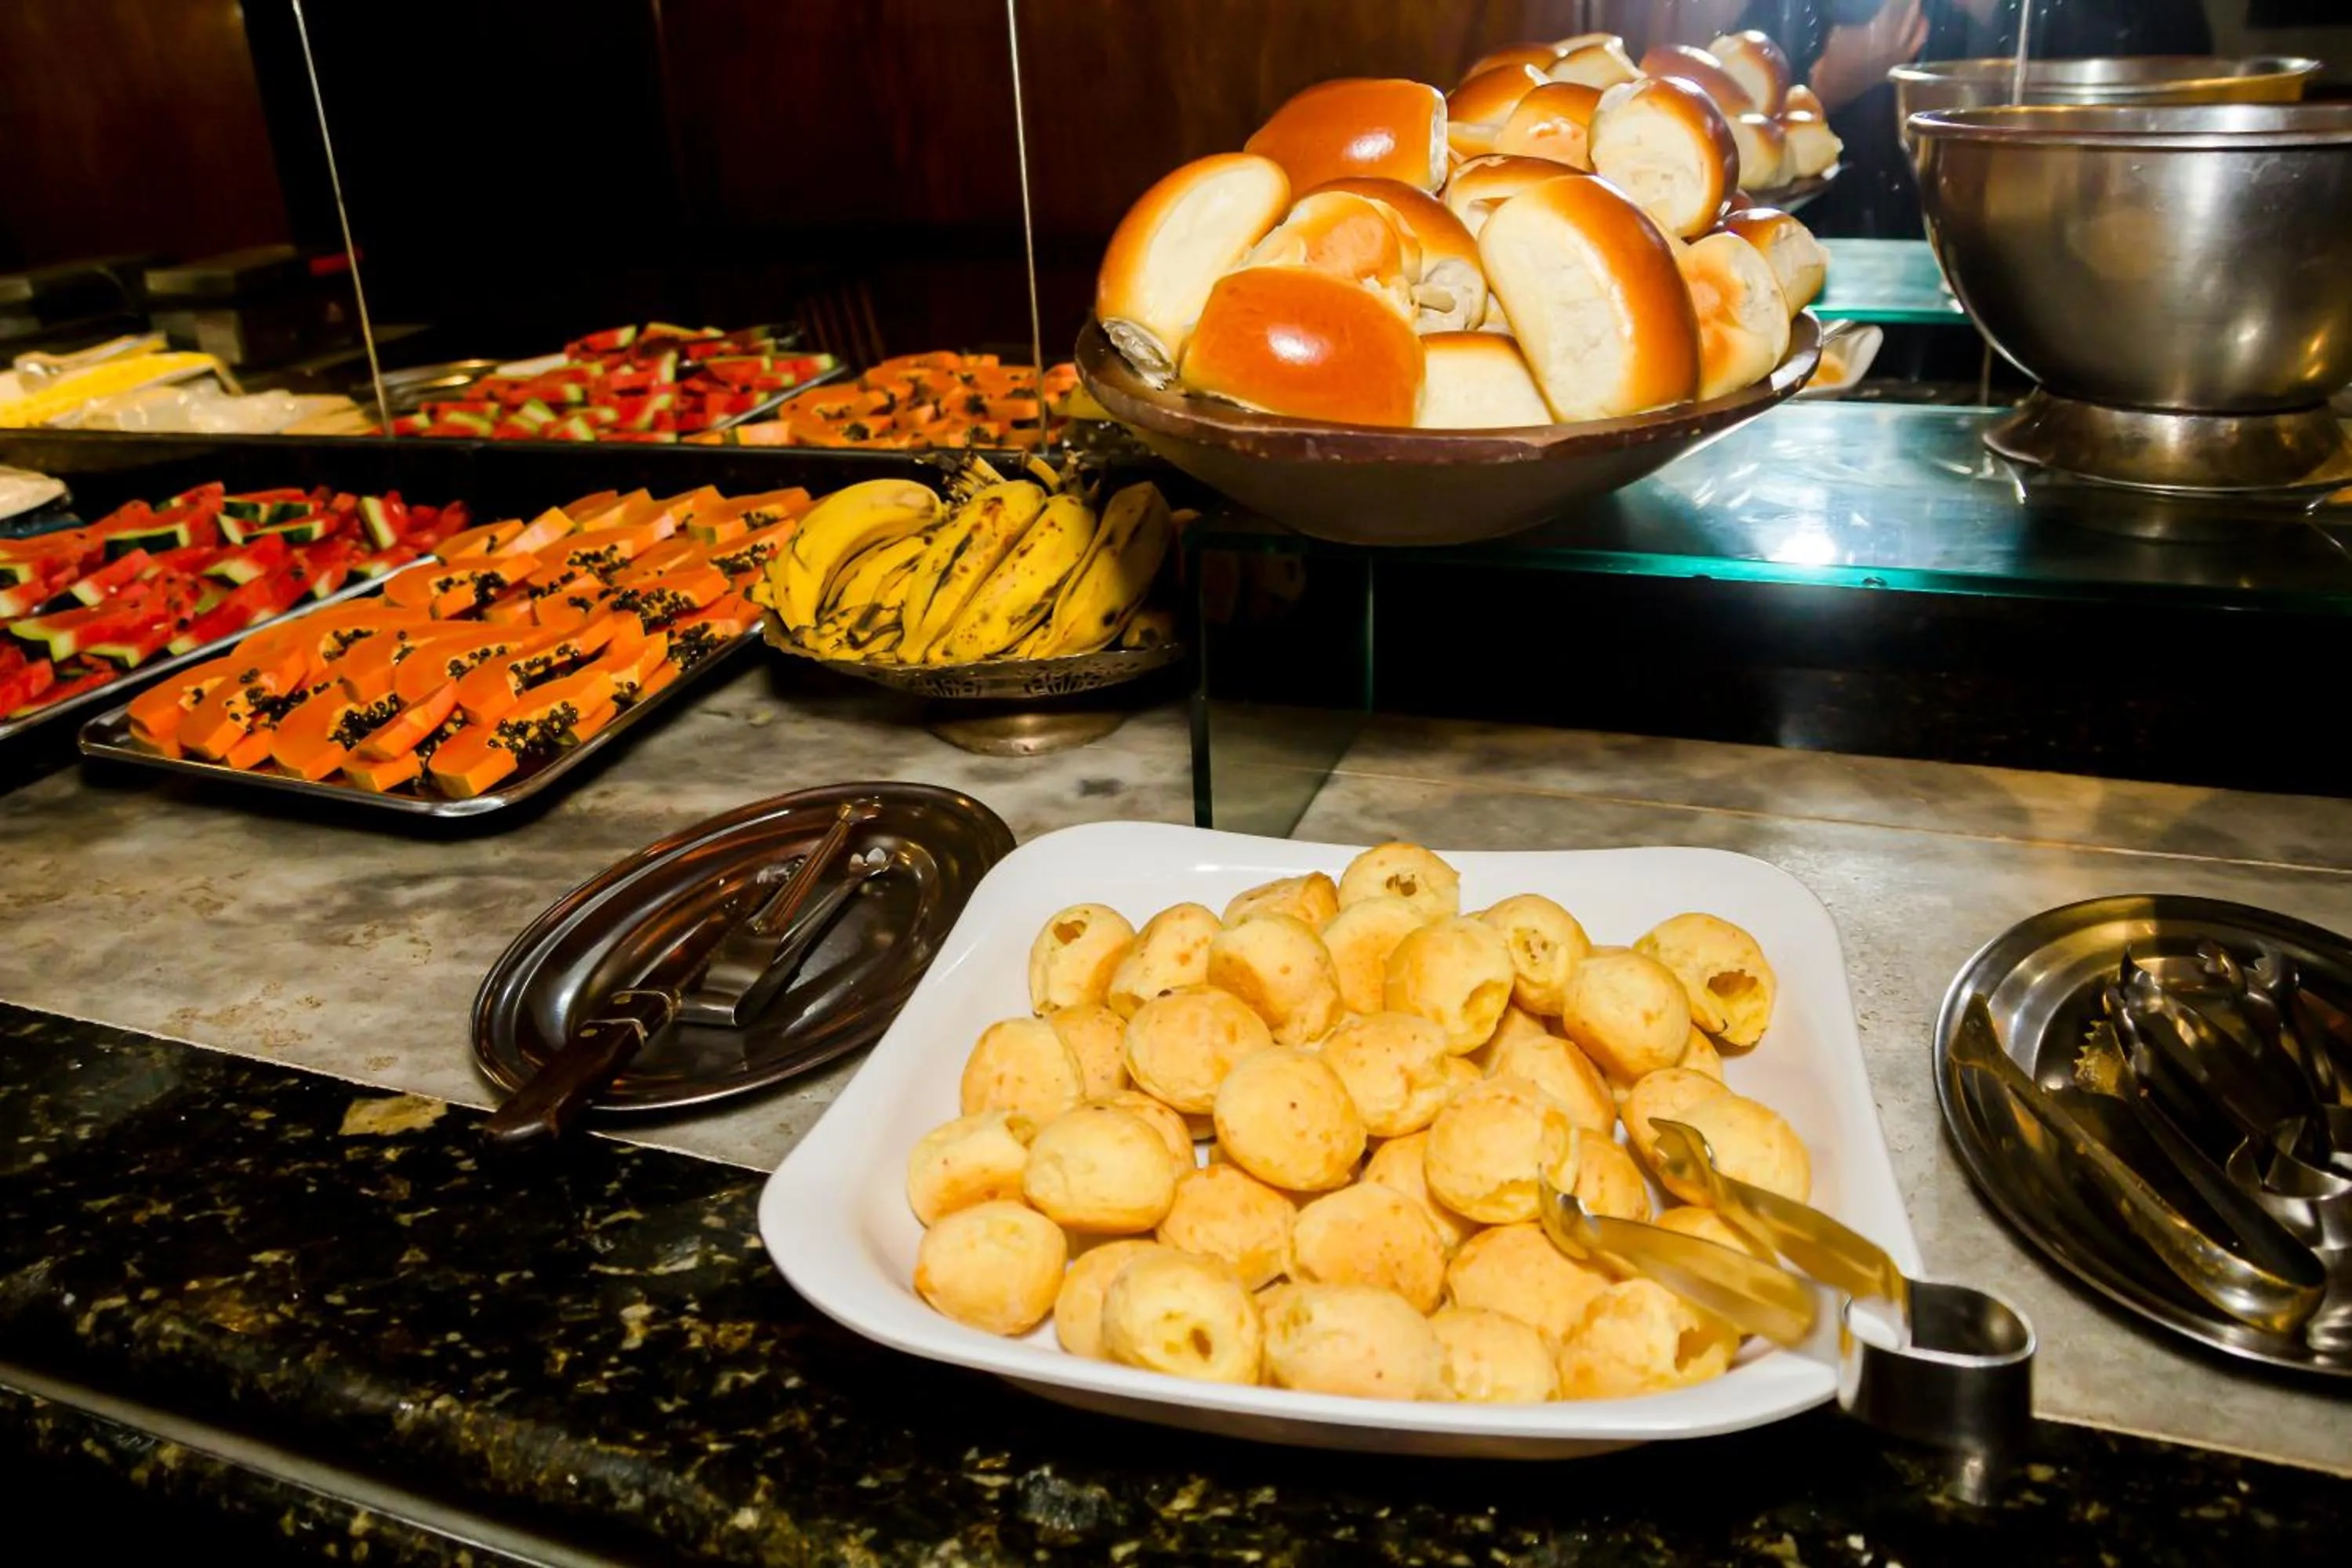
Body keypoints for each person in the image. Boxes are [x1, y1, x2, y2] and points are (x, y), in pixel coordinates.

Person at [1736, 0, 2216, 235]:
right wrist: (1829, 85)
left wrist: (1991, 12)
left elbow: (2173, 93)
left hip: (2060, 256)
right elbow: (1734, 128)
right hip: (1853, 285)